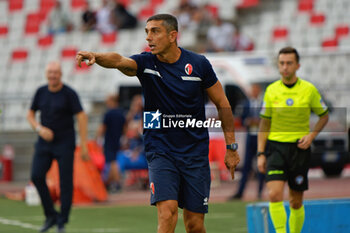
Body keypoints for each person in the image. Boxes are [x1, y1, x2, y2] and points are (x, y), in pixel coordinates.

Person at [76, 14, 240, 233]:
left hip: (195, 153)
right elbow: (118, 60)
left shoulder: (199, 64)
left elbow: (222, 103)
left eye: (155, 31)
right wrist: (96, 55)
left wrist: (231, 147)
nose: (149, 37)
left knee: (195, 225)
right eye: (146, 32)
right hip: (161, 151)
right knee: (167, 213)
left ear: (173, 35)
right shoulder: (146, 63)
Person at [257, 47, 329, 233]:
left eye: (289, 63)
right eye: (282, 63)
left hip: (299, 149)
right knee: (274, 194)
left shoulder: (309, 89)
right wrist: (261, 153)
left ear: (297, 65)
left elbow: (324, 115)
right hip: (276, 148)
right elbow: (264, 125)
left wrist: (312, 135)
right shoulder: (271, 91)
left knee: (295, 202)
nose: (285, 67)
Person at [27, 61, 88, 233]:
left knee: (65, 182)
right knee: (36, 176)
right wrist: (39, 129)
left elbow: (82, 116)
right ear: (46, 74)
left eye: (56, 72)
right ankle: (51, 215)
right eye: (50, 72)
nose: (53, 75)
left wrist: (83, 145)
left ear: (61, 74)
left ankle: (62, 220)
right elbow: (30, 114)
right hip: (44, 142)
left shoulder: (69, 94)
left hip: (65, 142)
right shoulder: (40, 92)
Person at [230, 83, 265, 200]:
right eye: (252, 90)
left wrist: (259, 122)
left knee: (261, 165)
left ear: (259, 91)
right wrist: (248, 121)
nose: (253, 92)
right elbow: (242, 119)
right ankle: (240, 192)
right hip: (250, 137)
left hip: (261, 138)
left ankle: (260, 192)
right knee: (246, 167)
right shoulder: (246, 104)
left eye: (255, 90)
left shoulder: (264, 104)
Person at [96, 94, 125, 191]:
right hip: (117, 139)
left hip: (109, 140)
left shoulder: (108, 113)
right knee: (113, 161)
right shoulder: (121, 112)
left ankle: (117, 183)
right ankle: (110, 182)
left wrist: (98, 138)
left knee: (112, 163)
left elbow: (103, 127)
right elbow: (125, 127)